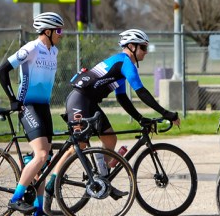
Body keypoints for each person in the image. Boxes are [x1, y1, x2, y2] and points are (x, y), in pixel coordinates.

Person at [55, 29, 180, 196]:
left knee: (110, 139)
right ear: (131, 47)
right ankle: (51, 186)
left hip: (89, 103)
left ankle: (102, 181)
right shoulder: (125, 63)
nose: (146, 52)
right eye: (143, 47)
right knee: (79, 146)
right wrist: (167, 113)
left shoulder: (120, 65)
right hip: (79, 101)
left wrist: (139, 118)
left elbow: (122, 98)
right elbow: (141, 92)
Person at [0, 12, 64, 216]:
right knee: (42, 154)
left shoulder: (54, 51)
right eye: (58, 30)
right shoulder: (32, 48)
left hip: (44, 107)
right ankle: (15, 199)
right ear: (48, 31)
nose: (61, 34)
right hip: (28, 106)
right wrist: (13, 100)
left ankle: (39, 212)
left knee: (44, 160)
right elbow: (2, 70)